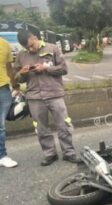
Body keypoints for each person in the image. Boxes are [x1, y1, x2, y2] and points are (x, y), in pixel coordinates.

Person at [14, 30, 80, 166]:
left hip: (54, 93)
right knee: (41, 128)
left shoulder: (53, 48)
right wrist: (22, 73)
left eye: (32, 45)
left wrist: (46, 68)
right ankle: (50, 154)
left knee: (64, 125)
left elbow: (64, 69)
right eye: (27, 48)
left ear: (35, 38)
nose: (30, 49)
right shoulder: (21, 56)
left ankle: (69, 152)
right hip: (34, 97)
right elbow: (17, 79)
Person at [0, 36, 18, 168]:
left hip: (3, 89)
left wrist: (15, 85)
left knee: (1, 126)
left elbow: (9, 68)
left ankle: (2, 155)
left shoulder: (5, 44)